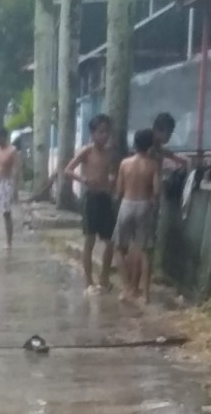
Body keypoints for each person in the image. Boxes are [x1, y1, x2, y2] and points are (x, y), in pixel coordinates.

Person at [64, 113, 115, 295]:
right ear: (93, 134)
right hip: (91, 198)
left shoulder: (109, 153)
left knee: (110, 241)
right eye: (101, 132)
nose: (105, 135)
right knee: (90, 240)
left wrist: (111, 179)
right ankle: (88, 282)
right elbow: (68, 170)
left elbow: (109, 172)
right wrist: (84, 179)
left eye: (107, 132)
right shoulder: (87, 151)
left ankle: (104, 278)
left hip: (105, 197)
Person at [113, 128, 160, 304]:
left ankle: (126, 288)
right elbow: (156, 190)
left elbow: (119, 189)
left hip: (127, 204)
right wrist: (152, 202)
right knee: (144, 251)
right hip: (144, 205)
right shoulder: (153, 165)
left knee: (119, 248)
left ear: (134, 144)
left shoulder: (125, 163)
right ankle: (145, 294)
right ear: (150, 146)